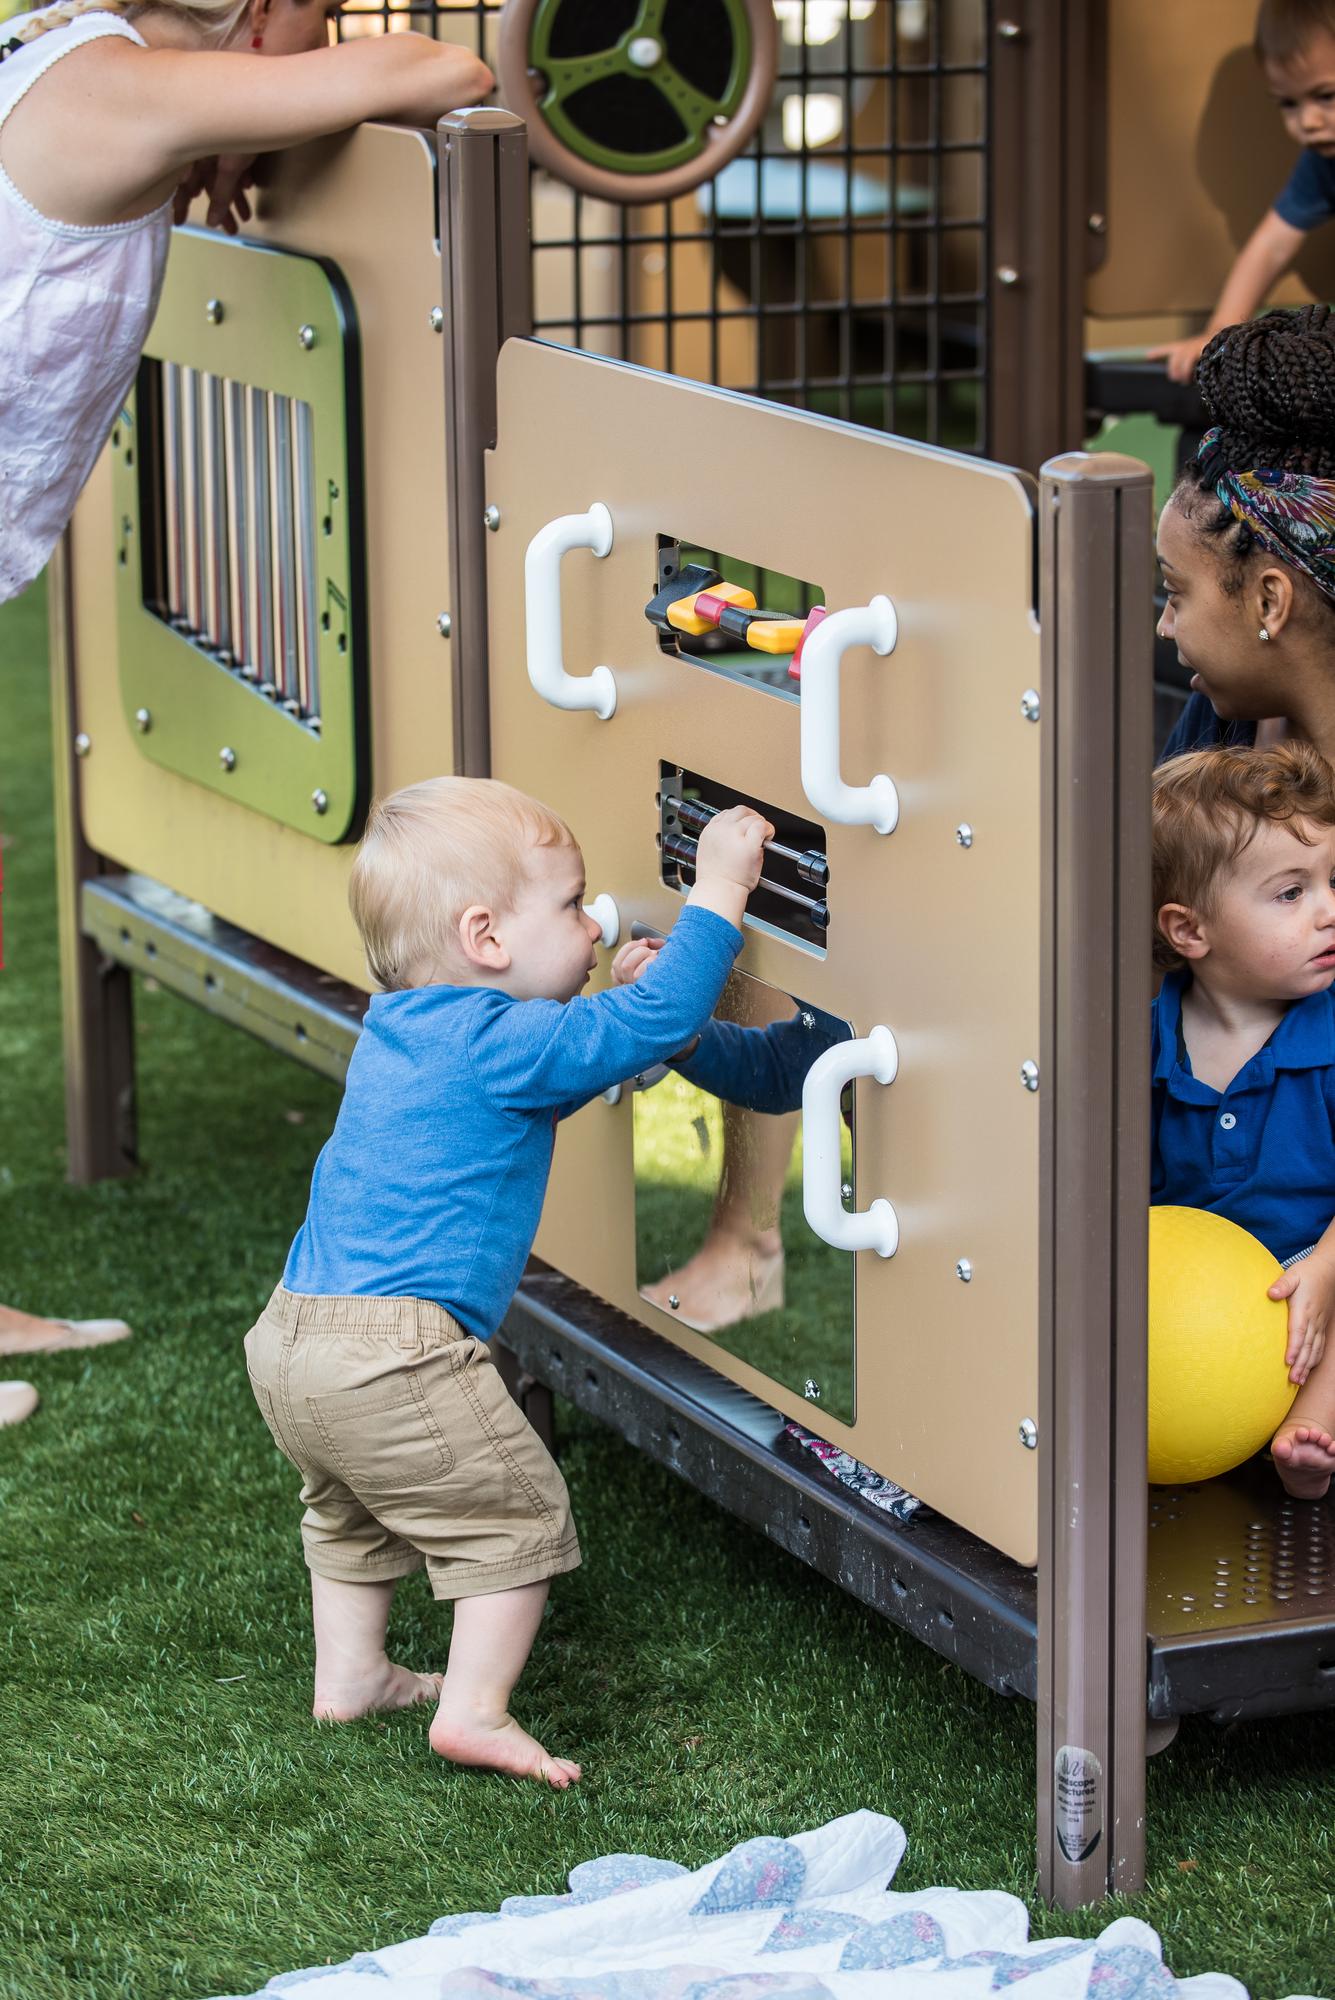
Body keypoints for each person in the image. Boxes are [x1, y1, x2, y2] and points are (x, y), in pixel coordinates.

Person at [0, 0, 489, 1353]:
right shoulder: (121, 89)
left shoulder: (82, 68)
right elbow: (443, 64)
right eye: (315, 10)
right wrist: (246, 105)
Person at [244, 777, 770, 1784]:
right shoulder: (506, 1042)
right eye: (573, 904)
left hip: (290, 1339)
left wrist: (593, 971)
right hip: (395, 1355)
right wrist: (719, 893)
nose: (591, 919)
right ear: (485, 937)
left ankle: (351, 1675)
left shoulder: (399, 1028)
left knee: (354, 1511)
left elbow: (566, 1059)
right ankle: (477, 1709)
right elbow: (655, 1018)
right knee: (516, 1516)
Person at [1152, 744, 1335, 1498]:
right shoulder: (1143, 1036)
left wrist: (1324, 1267)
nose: (1328, 909)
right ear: (1190, 931)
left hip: (1308, 1268)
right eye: (1290, 894)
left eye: (1333, 881)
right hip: (1191, 1293)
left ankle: (1307, 1441)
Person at [1151, 0, 1335, 383]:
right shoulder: (1322, 165)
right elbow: (1271, 246)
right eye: (1288, 104)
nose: (1308, 122)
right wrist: (1221, 336)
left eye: (1326, 96)